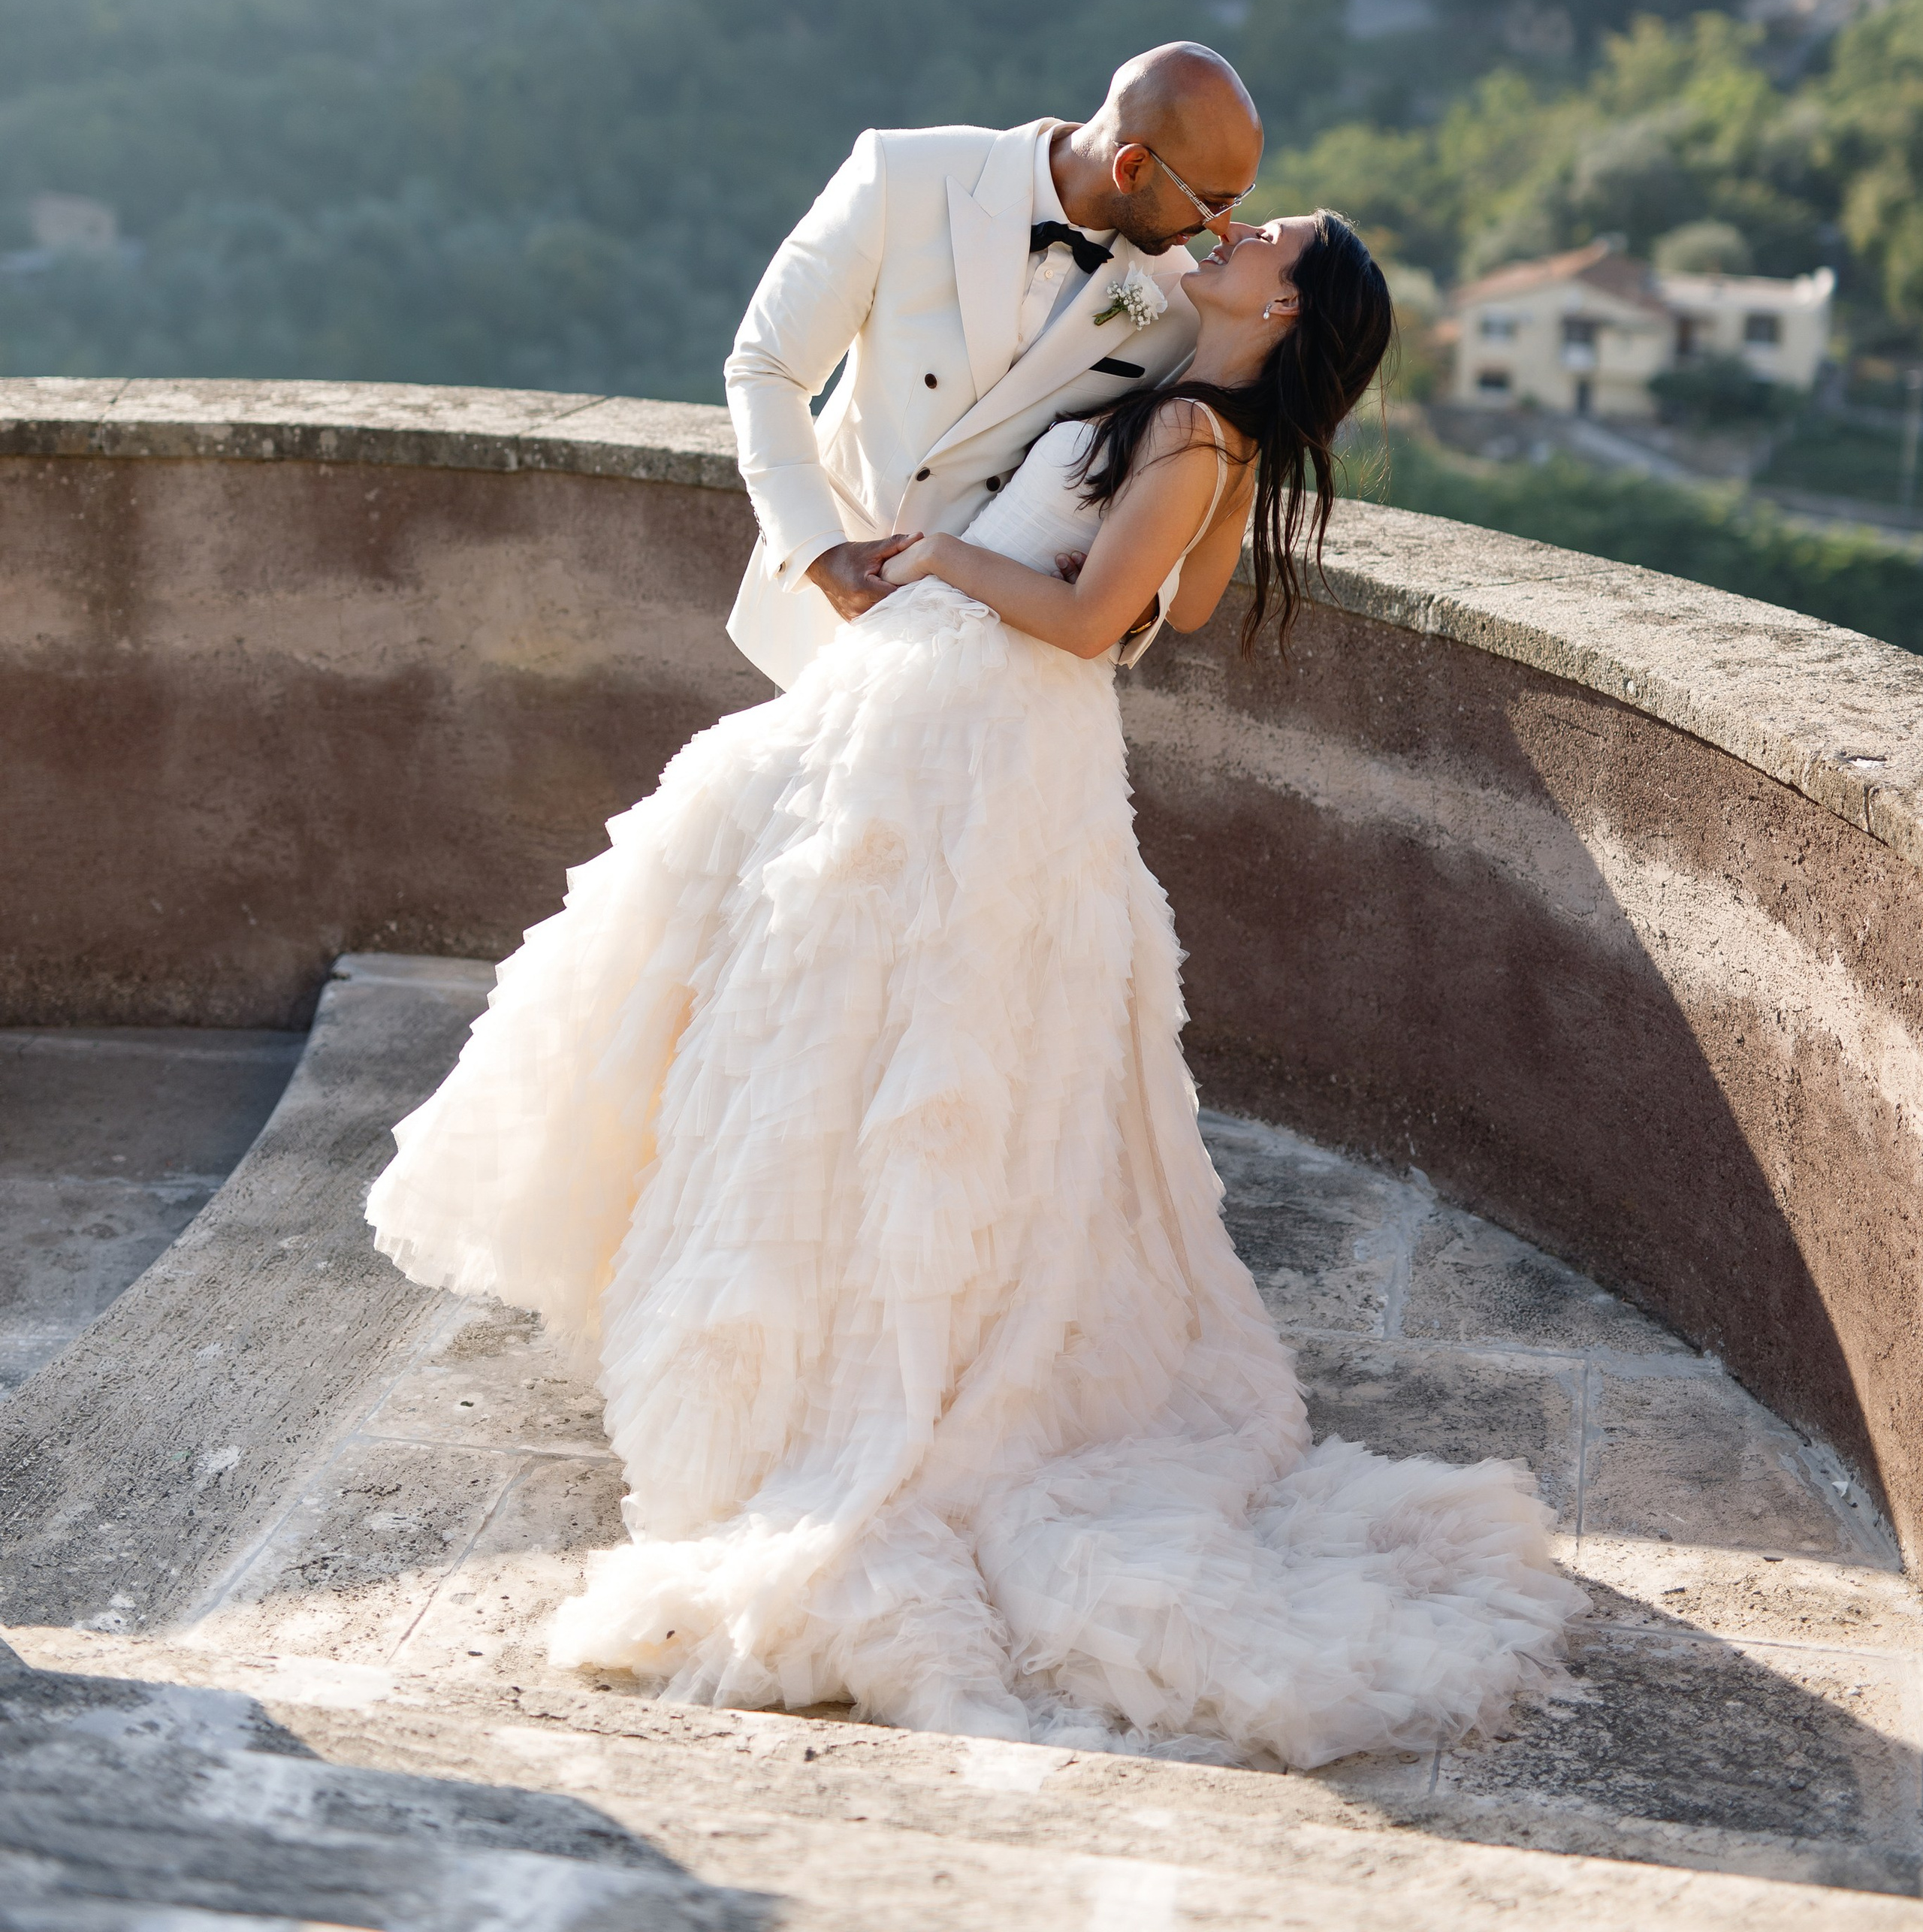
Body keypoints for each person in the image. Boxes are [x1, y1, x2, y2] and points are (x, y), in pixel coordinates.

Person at [366, 174, 1580, 1767]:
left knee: (897, 1028)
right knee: (867, 1021)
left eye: (1269, 240)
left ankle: (862, 1376)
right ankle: (837, 1325)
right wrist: (1172, 487)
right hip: (956, 719)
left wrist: (940, 556)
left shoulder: (1194, 433)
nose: (1240, 231)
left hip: (980, 721)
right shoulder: (1195, 419)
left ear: (1280, 311)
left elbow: (1089, 622)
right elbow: (1187, 596)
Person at [723, 43, 1263, 689]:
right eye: (1207, 202)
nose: (1221, 227)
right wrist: (820, 555)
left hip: (989, 660)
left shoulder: (1180, 301)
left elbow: (1173, 487)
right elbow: (767, 366)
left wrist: (1134, 598)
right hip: (819, 611)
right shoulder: (902, 173)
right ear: (1133, 165)